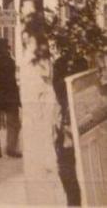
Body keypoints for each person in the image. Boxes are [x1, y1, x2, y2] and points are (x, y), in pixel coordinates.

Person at [52, 53, 88, 206]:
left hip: (74, 123)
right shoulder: (62, 63)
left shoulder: (77, 62)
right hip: (68, 124)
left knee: (68, 165)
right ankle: (74, 202)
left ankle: (74, 202)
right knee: (67, 166)